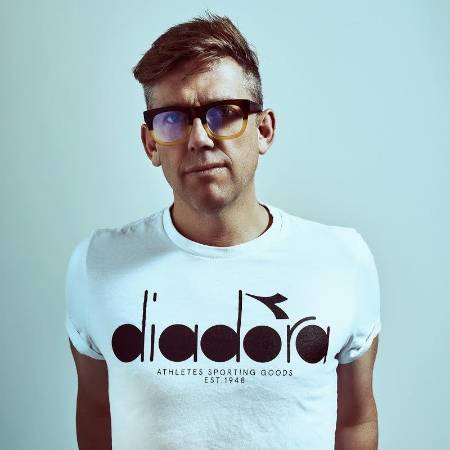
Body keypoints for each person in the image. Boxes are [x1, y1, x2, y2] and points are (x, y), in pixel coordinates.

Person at [65, 11, 381, 450]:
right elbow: (97, 411)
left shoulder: (343, 260)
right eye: (173, 119)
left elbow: (356, 419)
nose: (199, 138)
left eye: (224, 113)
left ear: (263, 129)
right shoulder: (98, 264)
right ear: (151, 143)